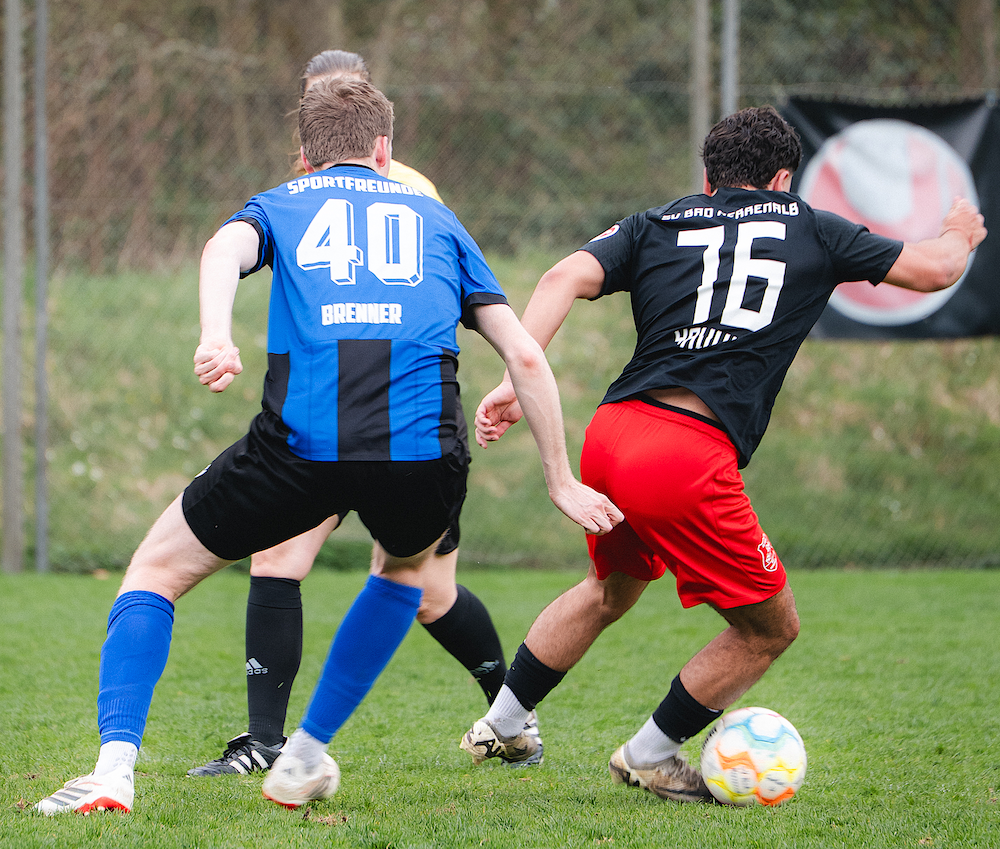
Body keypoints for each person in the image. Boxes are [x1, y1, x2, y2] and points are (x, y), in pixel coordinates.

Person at [36, 77, 622, 815]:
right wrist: (560, 478)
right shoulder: (438, 219)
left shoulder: (281, 204)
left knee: (154, 570)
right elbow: (525, 356)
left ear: (305, 155)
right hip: (424, 452)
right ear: (383, 148)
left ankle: (113, 770)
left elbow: (222, 249)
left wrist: (215, 334)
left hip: (300, 447)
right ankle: (304, 755)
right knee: (403, 573)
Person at [459, 106, 987, 801]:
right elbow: (936, 270)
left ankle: (502, 722)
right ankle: (649, 755)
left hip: (613, 434)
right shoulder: (812, 226)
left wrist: (513, 381)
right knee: (769, 628)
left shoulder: (657, 222)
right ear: (784, 179)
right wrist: (960, 231)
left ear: (708, 178)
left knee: (610, 587)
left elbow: (560, 277)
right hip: (685, 455)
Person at [188, 48, 539, 778]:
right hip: (325, 414)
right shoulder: (298, 190)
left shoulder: (407, 192)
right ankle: (265, 741)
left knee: (431, 594)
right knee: (278, 558)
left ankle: (510, 713)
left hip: (398, 416)